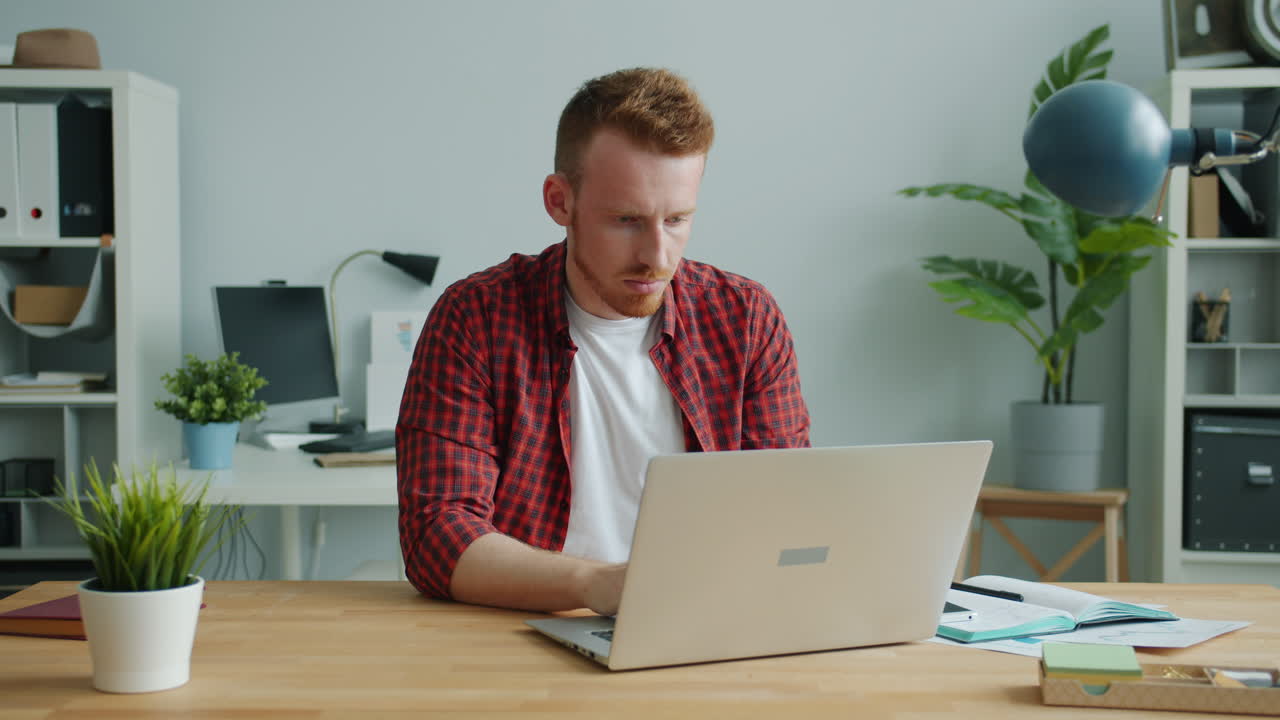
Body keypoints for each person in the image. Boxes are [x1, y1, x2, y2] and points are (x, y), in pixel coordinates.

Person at [396, 67, 810, 615]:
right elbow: (437, 535)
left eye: (678, 219)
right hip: (521, 637)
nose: (657, 256)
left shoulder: (746, 319)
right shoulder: (475, 319)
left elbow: (784, 509)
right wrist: (597, 585)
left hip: (705, 625)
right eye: (626, 220)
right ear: (559, 201)